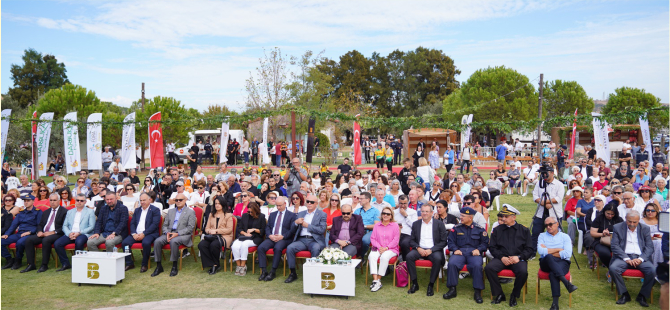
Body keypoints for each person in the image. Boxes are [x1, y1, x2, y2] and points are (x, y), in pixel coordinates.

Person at [485, 205, 534, 306]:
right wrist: (501, 257)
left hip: (517, 258)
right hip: (501, 258)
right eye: (502, 216)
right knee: (489, 268)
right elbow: (492, 247)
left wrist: (519, 257)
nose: (503, 218)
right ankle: (499, 294)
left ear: (514, 217)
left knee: (523, 272)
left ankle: (514, 295)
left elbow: (529, 249)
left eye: (506, 217)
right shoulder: (497, 230)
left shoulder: (524, 230)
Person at [609, 210, 656, 307]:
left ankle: (642, 295)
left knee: (653, 270)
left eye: (634, 222)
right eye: (629, 221)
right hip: (624, 257)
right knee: (614, 268)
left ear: (639, 220)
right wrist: (626, 258)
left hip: (640, 257)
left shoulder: (645, 228)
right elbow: (615, 246)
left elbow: (650, 247)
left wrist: (641, 259)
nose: (632, 224)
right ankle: (625, 294)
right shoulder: (618, 227)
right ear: (625, 219)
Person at [443, 207, 489, 303]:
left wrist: (479, 250)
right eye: (461, 215)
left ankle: (477, 291)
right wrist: (455, 249)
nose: (461, 218)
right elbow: (450, 241)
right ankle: (452, 289)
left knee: (477, 265)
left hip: (474, 252)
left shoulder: (479, 229)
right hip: (460, 252)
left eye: (463, 216)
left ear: (470, 218)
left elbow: (485, 243)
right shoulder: (456, 228)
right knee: (452, 263)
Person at [406, 204, 448, 296]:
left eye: (426, 211)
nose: (424, 213)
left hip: (433, 250)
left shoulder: (439, 224)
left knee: (437, 258)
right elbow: (411, 240)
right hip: (419, 248)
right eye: (423, 211)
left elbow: (444, 242)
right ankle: (415, 283)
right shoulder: (416, 224)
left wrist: (431, 250)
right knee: (409, 256)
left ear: (432, 213)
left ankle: (431, 285)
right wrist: (418, 248)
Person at [284, 194, 327, 283]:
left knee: (315, 248)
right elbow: (292, 229)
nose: (309, 203)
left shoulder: (322, 214)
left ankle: (313, 273)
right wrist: (296, 222)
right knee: (290, 248)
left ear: (316, 204)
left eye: (312, 202)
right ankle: (292, 273)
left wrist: (308, 226)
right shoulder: (301, 213)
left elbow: (322, 229)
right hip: (301, 240)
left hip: (314, 240)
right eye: (308, 201)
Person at [537, 217, 578, 310]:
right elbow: (541, 251)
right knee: (549, 257)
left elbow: (567, 253)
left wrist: (548, 250)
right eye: (546, 225)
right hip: (545, 262)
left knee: (553, 273)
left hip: (562, 262)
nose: (548, 227)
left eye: (550, 224)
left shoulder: (565, 237)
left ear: (557, 224)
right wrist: (559, 249)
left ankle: (555, 304)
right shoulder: (542, 236)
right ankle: (566, 283)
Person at [151, 193, 196, 277]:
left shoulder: (190, 212)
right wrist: (167, 233)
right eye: (176, 200)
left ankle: (174, 266)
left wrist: (177, 233)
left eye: (180, 200)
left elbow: (190, 228)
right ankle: (158, 266)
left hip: (182, 234)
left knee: (174, 241)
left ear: (185, 200)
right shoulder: (171, 211)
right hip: (170, 233)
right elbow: (164, 225)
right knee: (157, 241)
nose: (178, 202)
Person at [21, 194, 67, 273]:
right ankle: (31, 264)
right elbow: (40, 224)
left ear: (59, 201)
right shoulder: (46, 212)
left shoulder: (64, 211)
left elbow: (64, 227)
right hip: (44, 233)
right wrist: (39, 231)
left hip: (57, 233)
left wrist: (52, 232)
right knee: (29, 240)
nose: (52, 202)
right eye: (51, 200)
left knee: (46, 240)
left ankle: (44, 265)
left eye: (54, 200)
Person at [257, 196, 297, 281]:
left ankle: (273, 272)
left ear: (285, 204)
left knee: (277, 248)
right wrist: (270, 235)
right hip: (272, 237)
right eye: (277, 205)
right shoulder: (272, 214)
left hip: (284, 238)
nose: (278, 207)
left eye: (280, 205)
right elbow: (267, 227)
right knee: (261, 247)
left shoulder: (292, 215)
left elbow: (292, 230)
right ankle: (264, 271)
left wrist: (283, 236)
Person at [54, 194, 96, 271]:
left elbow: (91, 227)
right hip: (70, 233)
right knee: (57, 243)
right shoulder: (70, 212)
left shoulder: (90, 212)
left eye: (81, 201)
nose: (79, 202)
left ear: (85, 202)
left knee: (79, 242)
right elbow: (65, 226)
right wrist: (69, 233)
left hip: (83, 233)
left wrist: (79, 233)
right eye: (77, 200)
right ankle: (65, 264)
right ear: (75, 201)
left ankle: (78, 263)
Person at [121, 193, 161, 272]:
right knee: (125, 243)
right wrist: (134, 234)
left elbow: (154, 225)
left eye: (144, 200)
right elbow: (132, 223)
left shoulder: (155, 210)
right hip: (136, 233)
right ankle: (129, 263)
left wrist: (144, 234)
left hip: (149, 233)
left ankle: (144, 264)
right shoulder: (137, 210)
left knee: (146, 243)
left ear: (149, 200)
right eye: (141, 200)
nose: (142, 202)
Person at [1, 194, 42, 270]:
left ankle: (18, 260)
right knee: (1, 241)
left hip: (30, 234)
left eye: (28, 201)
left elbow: (40, 225)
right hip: (19, 233)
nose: (26, 202)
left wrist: (30, 232)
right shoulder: (22, 212)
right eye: (25, 201)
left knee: (20, 243)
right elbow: (13, 225)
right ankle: (9, 259)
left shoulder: (38, 212)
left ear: (33, 201)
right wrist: (6, 234)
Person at [531, 165, 565, 252]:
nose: (544, 175)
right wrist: (542, 203)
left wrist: (546, 202)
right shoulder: (539, 183)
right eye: (542, 173)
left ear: (552, 173)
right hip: (540, 213)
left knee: (555, 233)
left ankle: (555, 250)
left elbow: (559, 198)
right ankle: (533, 251)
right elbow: (535, 196)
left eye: (546, 173)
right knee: (536, 232)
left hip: (554, 213)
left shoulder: (559, 184)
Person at [368, 206, 399, 292]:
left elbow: (396, 240)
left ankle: (378, 279)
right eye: (384, 213)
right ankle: (375, 280)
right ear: (381, 215)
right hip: (378, 247)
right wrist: (379, 247)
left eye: (388, 214)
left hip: (391, 248)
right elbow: (373, 238)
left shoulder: (395, 225)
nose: (385, 215)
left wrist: (386, 248)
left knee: (384, 257)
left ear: (391, 216)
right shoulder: (377, 225)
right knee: (372, 256)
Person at [231, 202, 266, 276]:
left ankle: (243, 266)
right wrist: (245, 233)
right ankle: (239, 265)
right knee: (234, 246)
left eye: (251, 212)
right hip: (244, 236)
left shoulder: (261, 217)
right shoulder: (245, 216)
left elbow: (263, 231)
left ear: (256, 210)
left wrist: (254, 229)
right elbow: (239, 228)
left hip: (256, 237)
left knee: (244, 245)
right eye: (248, 211)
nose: (250, 213)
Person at [353, 192, 380, 259]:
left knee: (364, 240)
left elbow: (376, 226)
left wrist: (364, 226)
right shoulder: (357, 211)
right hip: (358, 230)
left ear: (368, 199)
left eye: (361, 199)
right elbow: (353, 223)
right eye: (359, 198)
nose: (359, 200)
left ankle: (361, 256)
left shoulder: (375, 211)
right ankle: (354, 256)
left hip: (370, 231)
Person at [394, 195, 417, 261]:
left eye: (405, 203)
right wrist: (396, 225)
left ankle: (405, 264)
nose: (403, 205)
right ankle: (389, 266)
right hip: (395, 233)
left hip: (407, 234)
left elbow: (414, 226)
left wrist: (406, 216)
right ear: (398, 203)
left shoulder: (413, 212)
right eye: (401, 203)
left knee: (404, 244)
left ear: (408, 203)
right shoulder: (394, 212)